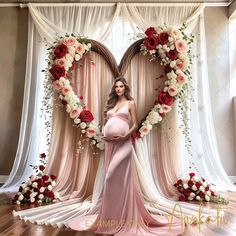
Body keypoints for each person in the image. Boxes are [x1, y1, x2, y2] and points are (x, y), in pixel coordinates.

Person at [69, 77, 184, 235]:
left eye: (121, 86)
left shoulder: (130, 103)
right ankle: (114, 215)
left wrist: (124, 137)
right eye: (116, 87)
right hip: (110, 144)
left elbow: (135, 124)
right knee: (113, 181)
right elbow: (106, 123)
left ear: (125, 88)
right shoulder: (111, 104)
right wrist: (104, 134)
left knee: (111, 177)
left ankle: (124, 215)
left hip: (123, 144)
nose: (118, 89)